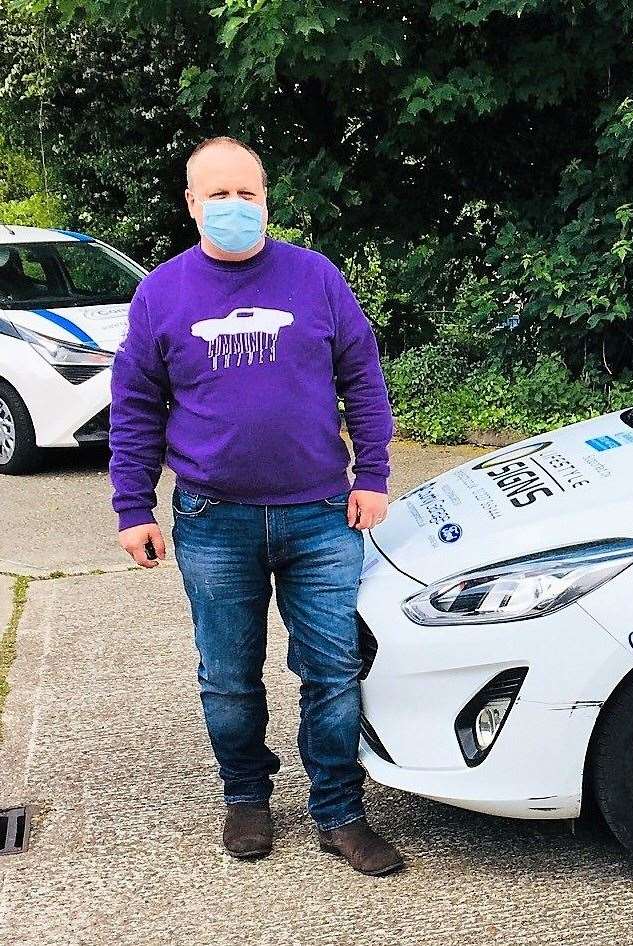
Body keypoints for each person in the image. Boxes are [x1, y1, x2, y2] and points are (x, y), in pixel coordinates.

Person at [109, 136, 403, 875]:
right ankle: (245, 797)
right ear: (190, 203)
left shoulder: (315, 278)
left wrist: (373, 473)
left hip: (321, 515)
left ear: (266, 200)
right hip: (214, 519)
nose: (234, 207)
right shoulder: (162, 293)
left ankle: (338, 811)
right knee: (227, 675)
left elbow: (363, 379)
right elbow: (136, 406)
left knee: (333, 671)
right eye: (218, 194)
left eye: (248, 193)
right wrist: (132, 507)